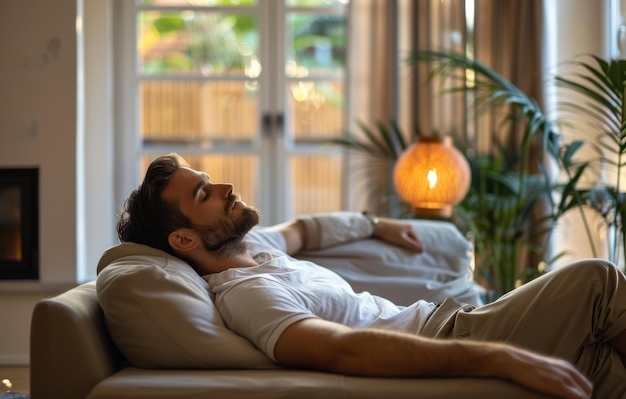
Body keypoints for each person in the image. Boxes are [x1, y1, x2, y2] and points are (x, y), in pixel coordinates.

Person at [116, 153, 626, 399]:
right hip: (453, 337)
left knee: (605, 370)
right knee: (595, 281)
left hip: (455, 320)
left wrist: (375, 223)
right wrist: (498, 356)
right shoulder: (245, 295)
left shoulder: (254, 249)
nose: (226, 186)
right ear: (183, 241)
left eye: (209, 181)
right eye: (204, 194)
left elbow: (303, 231)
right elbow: (342, 350)